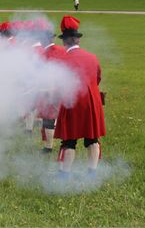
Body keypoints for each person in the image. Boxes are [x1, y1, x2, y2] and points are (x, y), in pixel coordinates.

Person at [54, 15, 105, 179]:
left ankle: (64, 176)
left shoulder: (62, 59)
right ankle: (92, 173)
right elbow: (97, 79)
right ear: (77, 40)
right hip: (91, 101)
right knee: (92, 139)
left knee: (69, 141)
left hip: (72, 102)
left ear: (65, 41)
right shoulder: (93, 57)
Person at [38, 27, 65, 153]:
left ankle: (49, 147)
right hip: (64, 86)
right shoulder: (62, 50)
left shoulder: (43, 54)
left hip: (49, 88)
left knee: (48, 117)